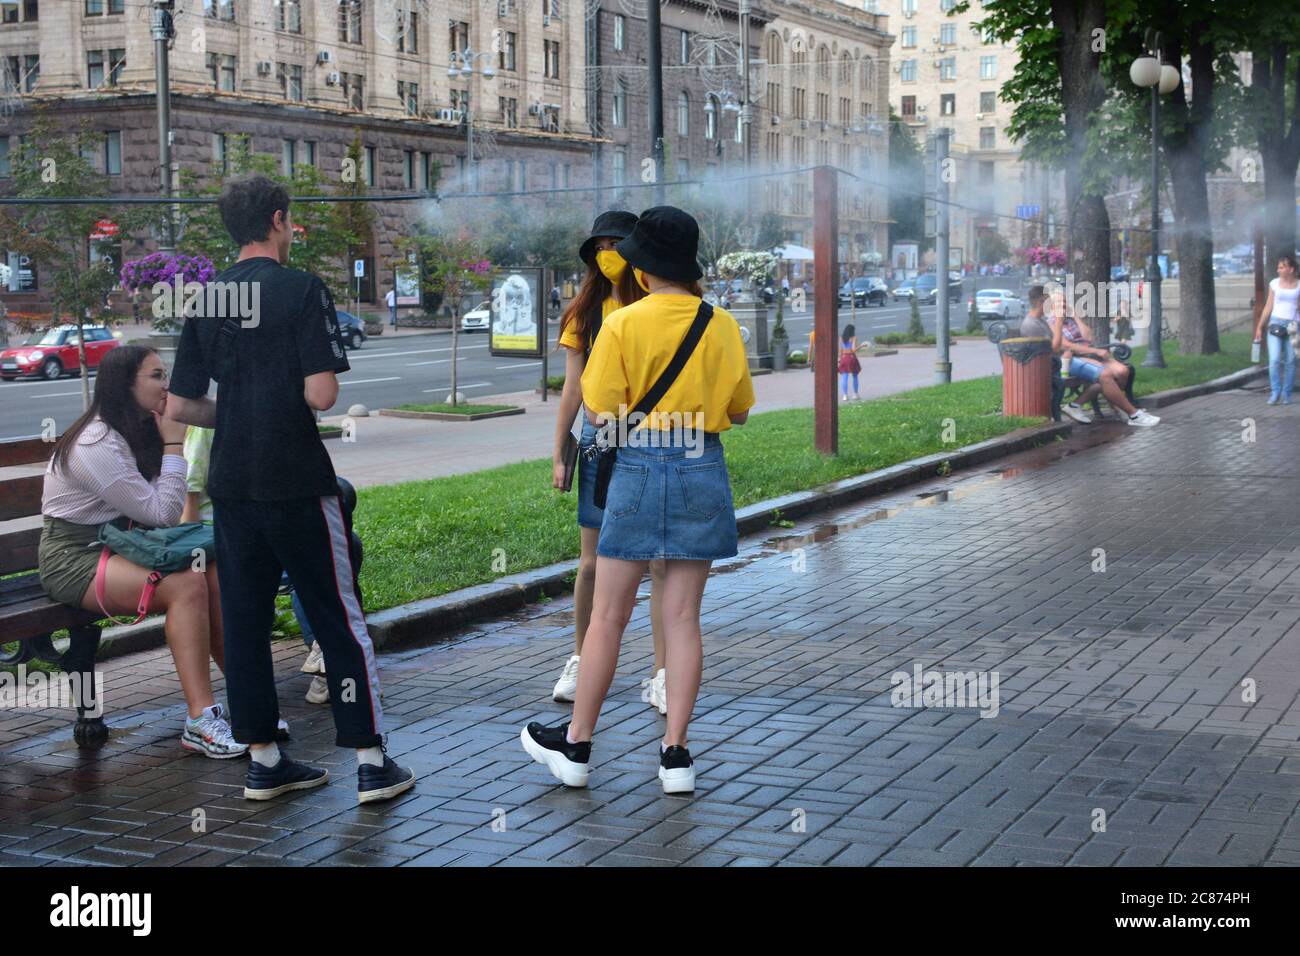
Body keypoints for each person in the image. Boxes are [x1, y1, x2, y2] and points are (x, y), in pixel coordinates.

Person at [166, 174, 415, 804]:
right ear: (278, 220)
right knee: (338, 618)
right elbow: (321, 394)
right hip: (298, 480)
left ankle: (266, 762)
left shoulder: (205, 298)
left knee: (245, 621)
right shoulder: (303, 289)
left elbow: (181, 405)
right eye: (292, 221)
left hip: (232, 483)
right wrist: (277, 404)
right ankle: (369, 762)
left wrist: (244, 409)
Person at [521, 205, 756, 795]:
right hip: (701, 465)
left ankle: (576, 747)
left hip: (638, 464)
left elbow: (598, 412)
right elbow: (740, 411)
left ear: (644, 269)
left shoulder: (623, 324)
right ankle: (675, 756)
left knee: (608, 615)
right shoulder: (721, 323)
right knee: (682, 619)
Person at [39, 346, 245, 758]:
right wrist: (173, 444)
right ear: (125, 385)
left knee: (214, 573)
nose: (166, 384)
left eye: (165, 373)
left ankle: (249, 701)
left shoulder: (136, 426)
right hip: (76, 556)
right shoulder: (96, 442)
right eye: (156, 375)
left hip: (125, 544)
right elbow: (162, 514)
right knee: (186, 586)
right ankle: (201, 719)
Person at [551, 211, 667, 713]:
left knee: (660, 562)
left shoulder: (659, 305)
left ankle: (664, 671)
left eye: (616, 243)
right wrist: (560, 450)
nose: (607, 253)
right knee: (592, 562)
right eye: (599, 245)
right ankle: (579, 658)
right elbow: (573, 386)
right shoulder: (587, 311)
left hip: (655, 441)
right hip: (601, 442)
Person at [180, 425, 326, 712]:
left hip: (252, 526)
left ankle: (323, 657)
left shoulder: (245, 413)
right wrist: (193, 550)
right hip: (218, 533)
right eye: (157, 376)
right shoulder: (203, 425)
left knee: (320, 559)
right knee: (297, 571)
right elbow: (190, 494)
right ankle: (323, 656)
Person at [1046, 290, 1159, 427]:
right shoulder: (1051, 322)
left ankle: (1078, 405)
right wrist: (1096, 351)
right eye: (1058, 302)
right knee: (1106, 375)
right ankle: (1133, 414)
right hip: (1069, 359)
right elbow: (1066, 346)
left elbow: (1089, 337)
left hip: (1088, 355)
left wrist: (1075, 316)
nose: (1063, 304)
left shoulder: (1070, 320)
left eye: (1064, 301)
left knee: (1122, 371)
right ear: (1051, 306)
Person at [1253, 254, 1300, 405]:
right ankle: (1275, 393)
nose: (1278, 270)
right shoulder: (1274, 284)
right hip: (1275, 324)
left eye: (1281, 267)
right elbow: (1268, 306)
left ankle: (1286, 394)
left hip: (1293, 326)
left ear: (1291, 269)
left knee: (1291, 361)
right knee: (1274, 360)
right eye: (1278, 267)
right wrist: (1260, 326)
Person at [838, 324, 861, 401]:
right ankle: (855, 394)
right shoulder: (853, 338)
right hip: (851, 358)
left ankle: (845, 395)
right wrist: (861, 346)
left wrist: (839, 359)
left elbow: (840, 350)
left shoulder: (841, 338)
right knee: (855, 375)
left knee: (844, 376)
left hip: (844, 357)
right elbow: (853, 350)